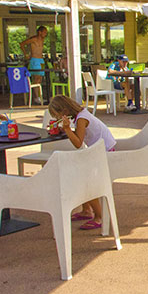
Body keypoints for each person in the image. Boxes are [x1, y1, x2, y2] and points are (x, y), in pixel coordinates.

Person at [48, 95, 116, 231]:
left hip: (104, 154)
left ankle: (99, 216)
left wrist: (67, 129)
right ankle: (86, 210)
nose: (57, 119)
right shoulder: (81, 115)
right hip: (100, 151)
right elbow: (80, 134)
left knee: (83, 179)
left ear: (64, 111)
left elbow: (78, 143)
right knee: (76, 172)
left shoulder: (81, 119)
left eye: (57, 115)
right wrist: (66, 130)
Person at [20, 26, 49, 101]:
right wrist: (26, 54)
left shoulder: (42, 40)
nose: (45, 34)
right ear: (40, 32)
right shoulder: (34, 39)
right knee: (36, 78)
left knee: (40, 79)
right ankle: (36, 97)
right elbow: (22, 44)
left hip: (41, 60)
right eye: (44, 32)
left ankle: (40, 96)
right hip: (35, 60)